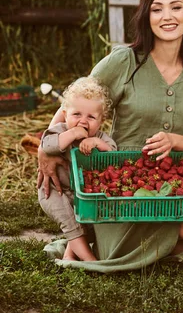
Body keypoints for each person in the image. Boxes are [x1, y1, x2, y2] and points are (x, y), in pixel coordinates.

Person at [38, 0, 183, 272]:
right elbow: (74, 104)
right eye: (157, 9)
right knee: (117, 249)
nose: (167, 17)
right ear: (145, 16)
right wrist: (46, 150)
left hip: (174, 177)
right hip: (119, 179)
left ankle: (127, 250)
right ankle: (115, 246)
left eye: (176, 7)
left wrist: (175, 140)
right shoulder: (124, 61)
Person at [38, 76, 117, 261]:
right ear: (65, 114)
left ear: (101, 121)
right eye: (76, 115)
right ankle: (90, 261)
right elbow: (47, 145)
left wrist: (97, 142)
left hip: (80, 193)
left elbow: (113, 153)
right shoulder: (59, 130)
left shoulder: (99, 137)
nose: (83, 121)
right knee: (70, 222)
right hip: (54, 191)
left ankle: (70, 256)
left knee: (86, 222)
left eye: (91, 117)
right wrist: (72, 133)